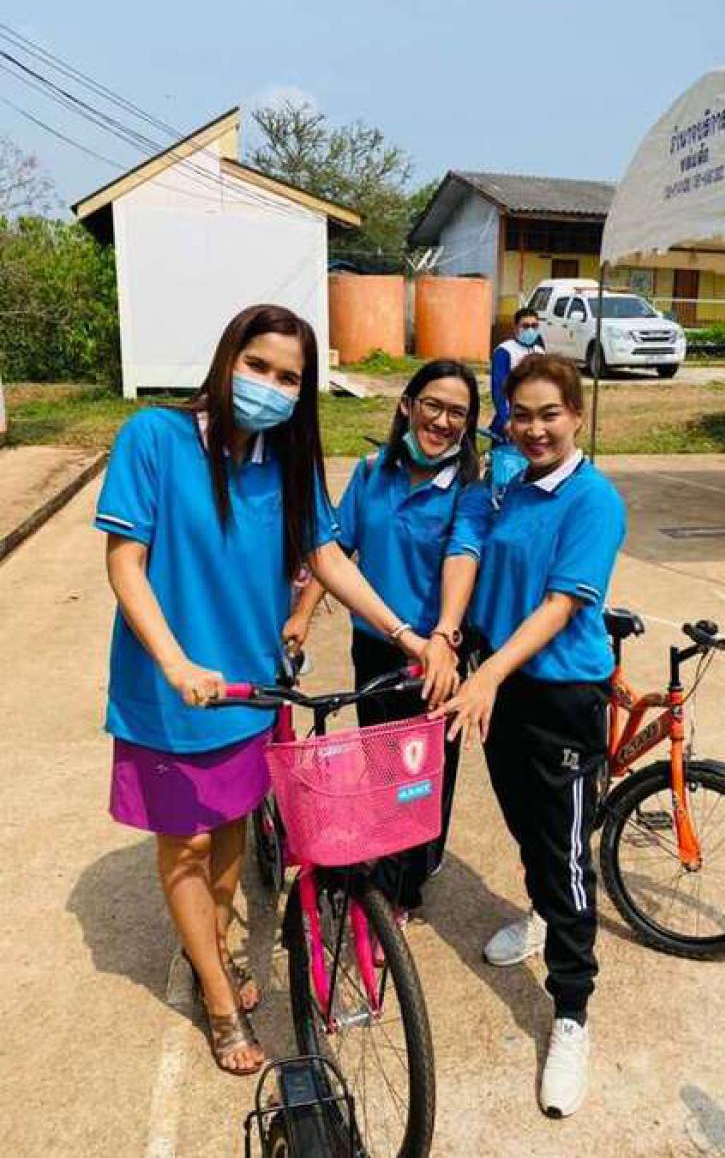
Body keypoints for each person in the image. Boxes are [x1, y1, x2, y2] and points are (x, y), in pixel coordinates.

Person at [95, 304, 447, 1078]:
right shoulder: (153, 439)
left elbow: (327, 558)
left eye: (289, 378)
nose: (270, 386)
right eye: (257, 366)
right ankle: (219, 999)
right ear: (226, 360)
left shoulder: (286, 463)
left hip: (250, 690)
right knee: (186, 844)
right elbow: (125, 564)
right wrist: (176, 664)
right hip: (172, 692)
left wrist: (406, 634)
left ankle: (214, 946)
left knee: (228, 832)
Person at [435, 352, 626, 1119]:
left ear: (575, 415)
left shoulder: (594, 499)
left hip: (559, 696)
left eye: (550, 414)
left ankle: (572, 1012)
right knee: (524, 822)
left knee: (566, 855)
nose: (536, 428)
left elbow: (559, 604)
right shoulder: (508, 488)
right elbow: (470, 551)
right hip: (503, 689)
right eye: (522, 415)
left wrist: (487, 673)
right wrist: (453, 640)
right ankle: (541, 913)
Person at [284, 360, 489, 916]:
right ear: (407, 405)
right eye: (433, 405)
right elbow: (335, 548)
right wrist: (302, 615)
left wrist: (444, 636)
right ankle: (394, 856)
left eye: (458, 413)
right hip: (374, 645)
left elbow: (463, 556)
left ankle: (405, 887)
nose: (443, 421)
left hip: (434, 655)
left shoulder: (468, 490)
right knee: (380, 760)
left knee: (419, 773)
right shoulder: (372, 471)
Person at [489, 305, 544, 437]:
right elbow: (499, 388)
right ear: (515, 328)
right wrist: (506, 419)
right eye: (525, 326)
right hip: (511, 416)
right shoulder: (505, 351)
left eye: (534, 326)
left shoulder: (540, 352)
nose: (530, 330)